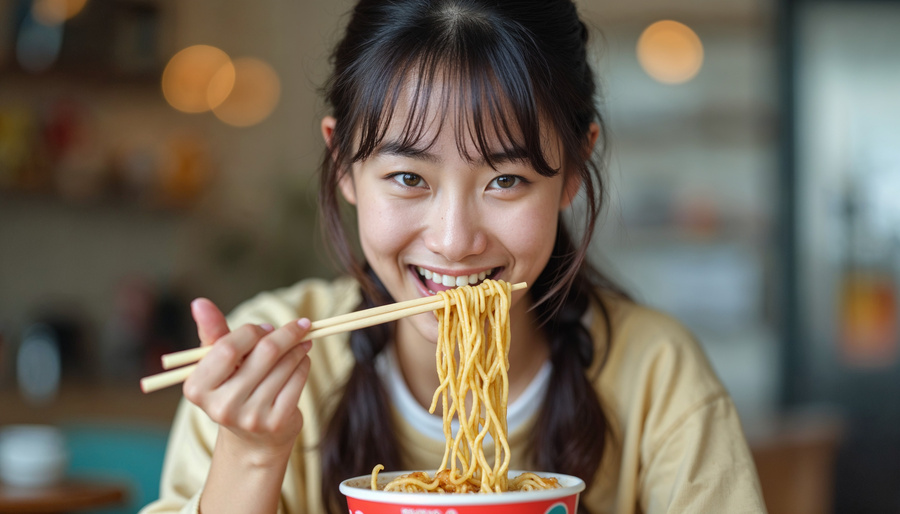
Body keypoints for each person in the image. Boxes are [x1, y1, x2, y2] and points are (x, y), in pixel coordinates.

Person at [140, 1, 767, 513]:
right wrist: (251, 456)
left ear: (574, 168)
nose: (453, 239)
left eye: (506, 180)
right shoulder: (274, 369)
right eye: (409, 178)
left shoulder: (655, 373)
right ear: (344, 166)